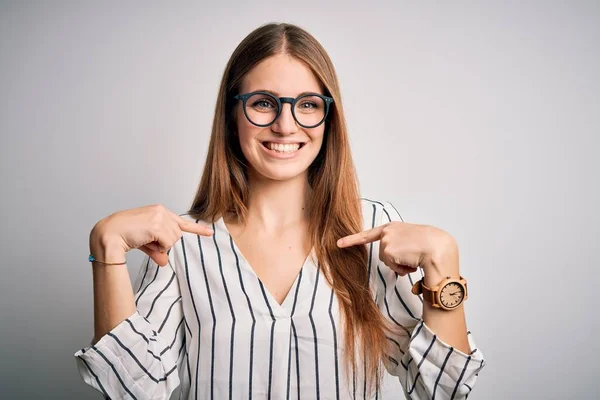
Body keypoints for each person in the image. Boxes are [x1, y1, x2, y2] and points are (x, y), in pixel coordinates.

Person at [74, 22, 486, 400]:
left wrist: (443, 261)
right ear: (232, 113)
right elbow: (131, 389)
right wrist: (105, 250)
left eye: (307, 105)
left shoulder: (375, 230)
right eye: (264, 103)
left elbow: (443, 391)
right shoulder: (180, 243)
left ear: (329, 118)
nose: (286, 126)